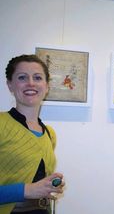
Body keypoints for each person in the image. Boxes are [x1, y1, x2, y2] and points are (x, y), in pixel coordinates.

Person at [0, 54, 65, 214]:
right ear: (10, 85)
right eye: (22, 77)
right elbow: (30, 188)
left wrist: (50, 185)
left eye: (37, 77)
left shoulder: (50, 134)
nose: (30, 83)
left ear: (47, 86)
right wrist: (27, 190)